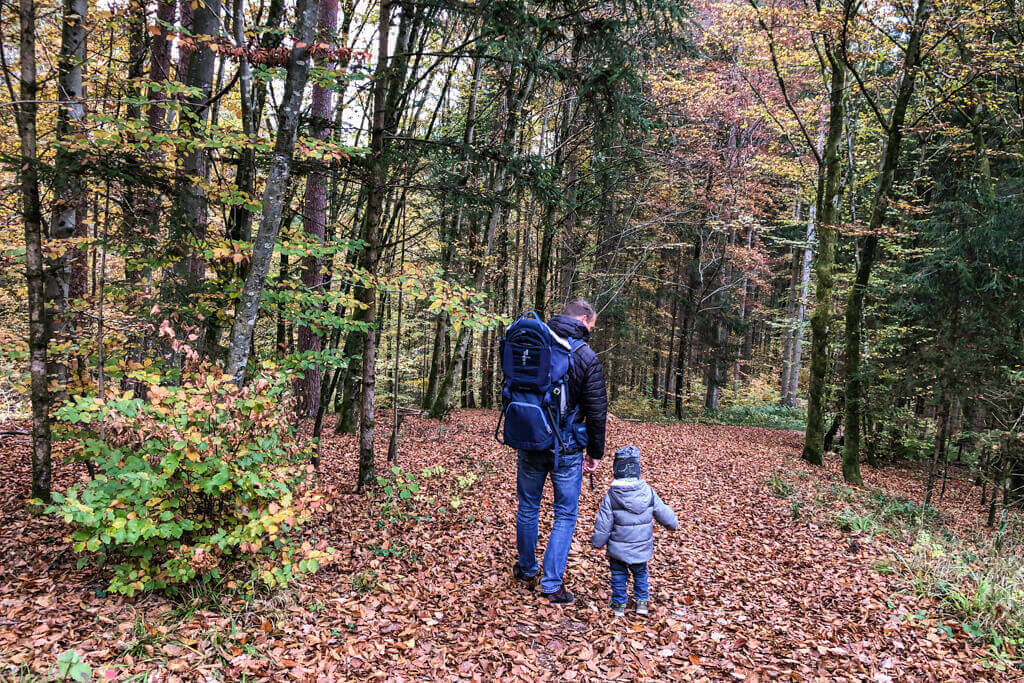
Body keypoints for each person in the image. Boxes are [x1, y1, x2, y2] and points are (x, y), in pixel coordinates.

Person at [512, 298, 608, 604]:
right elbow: (596, 411)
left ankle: (527, 569)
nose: (591, 332)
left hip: (529, 437)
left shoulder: (533, 343)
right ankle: (552, 585)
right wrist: (595, 451)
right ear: (582, 319)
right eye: (591, 326)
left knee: (528, 506)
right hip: (565, 447)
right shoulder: (584, 355)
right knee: (564, 514)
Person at [591, 445, 678, 617]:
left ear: (616, 470)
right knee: (640, 575)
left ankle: (619, 605)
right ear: (637, 470)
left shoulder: (612, 496)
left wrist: (598, 543)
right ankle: (642, 603)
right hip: (641, 548)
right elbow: (663, 512)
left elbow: (603, 523)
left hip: (618, 550)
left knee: (618, 576)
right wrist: (672, 524)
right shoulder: (648, 493)